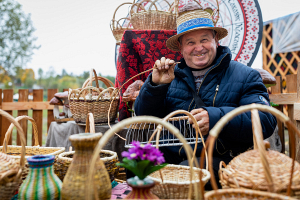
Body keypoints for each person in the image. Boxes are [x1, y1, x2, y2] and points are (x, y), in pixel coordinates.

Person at [134, 7, 277, 188]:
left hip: (223, 159)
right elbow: (143, 119)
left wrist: (216, 118)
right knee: (137, 165)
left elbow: (265, 120)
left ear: (216, 40)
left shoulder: (245, 75)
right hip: (172, 155)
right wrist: (156, 87)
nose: (199, 48)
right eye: (190, 42)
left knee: (189, 172)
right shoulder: (168, 76)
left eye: (204, 40)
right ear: (180, 47)